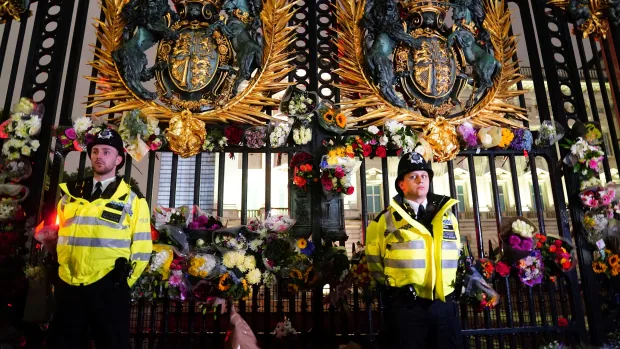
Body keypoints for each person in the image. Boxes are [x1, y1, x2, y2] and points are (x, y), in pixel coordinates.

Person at [47, 128, 153, 349]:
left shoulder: (133, 200)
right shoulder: (70, 196)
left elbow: (142, 250)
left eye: (106, 151)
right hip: (69, 286)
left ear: (118, 159)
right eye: (95, 151)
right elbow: (61, 239)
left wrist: (122, 284)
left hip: (108, 288)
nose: (99, 156)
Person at [365, 152, 463, 349]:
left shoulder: (448, 218)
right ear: (401, 184)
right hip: (407, 308)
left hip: (444, 307)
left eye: (424, 176)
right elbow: (375, 264)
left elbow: (456, 255)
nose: (421, 180)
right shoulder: (383, 221)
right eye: (413, 176)